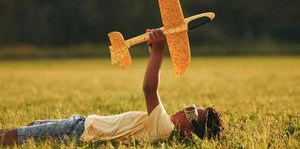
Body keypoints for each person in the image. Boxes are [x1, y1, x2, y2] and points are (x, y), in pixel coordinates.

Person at [0, 29, 223, 146]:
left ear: (190, 131)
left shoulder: (164, 129)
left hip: (80, 132)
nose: (185, 109)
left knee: (13, 138)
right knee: (25, 130)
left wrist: (157, 53)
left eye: (191, 112)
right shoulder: (163, 126)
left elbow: (149, 89)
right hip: (83, 122)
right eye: (190, 107)